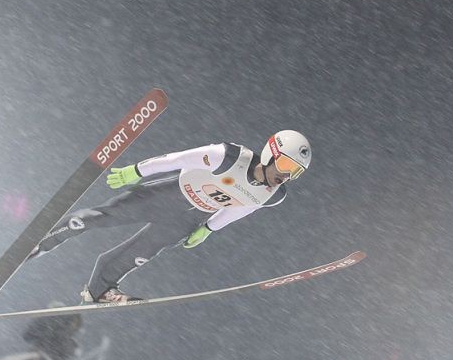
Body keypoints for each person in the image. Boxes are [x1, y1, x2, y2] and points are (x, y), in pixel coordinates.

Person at [28, 130, 312, 303]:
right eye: (287, 166)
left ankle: (98, 290)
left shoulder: (273, 195)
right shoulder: (227, 156)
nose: (286, 176)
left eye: (296, 172)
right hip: (168, 194)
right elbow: (177, 159)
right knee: (103, 217)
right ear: (271, 153)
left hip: (189, 218)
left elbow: (242, 207)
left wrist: (209, 229)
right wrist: (137, 171)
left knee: (140, 254)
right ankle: (41, 242)